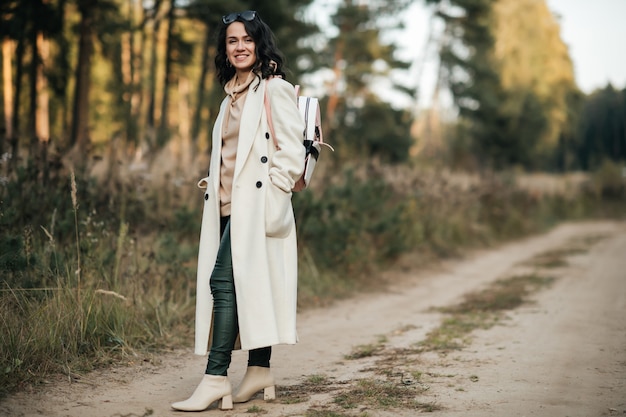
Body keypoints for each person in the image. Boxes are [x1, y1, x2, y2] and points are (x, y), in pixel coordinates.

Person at [171, 10, 305, 412]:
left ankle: (215, 379)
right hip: (225, 208)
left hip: (257, 209)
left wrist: (273, 194)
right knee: (250, 286)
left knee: (222, 283)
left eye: (247, 39)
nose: (240, 46)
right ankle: (260, 370)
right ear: (225, 49)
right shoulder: (230, 93)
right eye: (232, 41)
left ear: (258, 44)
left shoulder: (273, 89)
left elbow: (292, 152)